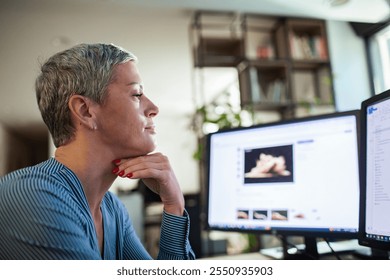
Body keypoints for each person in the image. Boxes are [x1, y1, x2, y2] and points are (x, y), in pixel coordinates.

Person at [0, 43, 195, 260]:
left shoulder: (112, 210)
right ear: (85, 111)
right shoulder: (31, 196)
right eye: (137, 94)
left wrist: (174, 207)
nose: (153, 108)